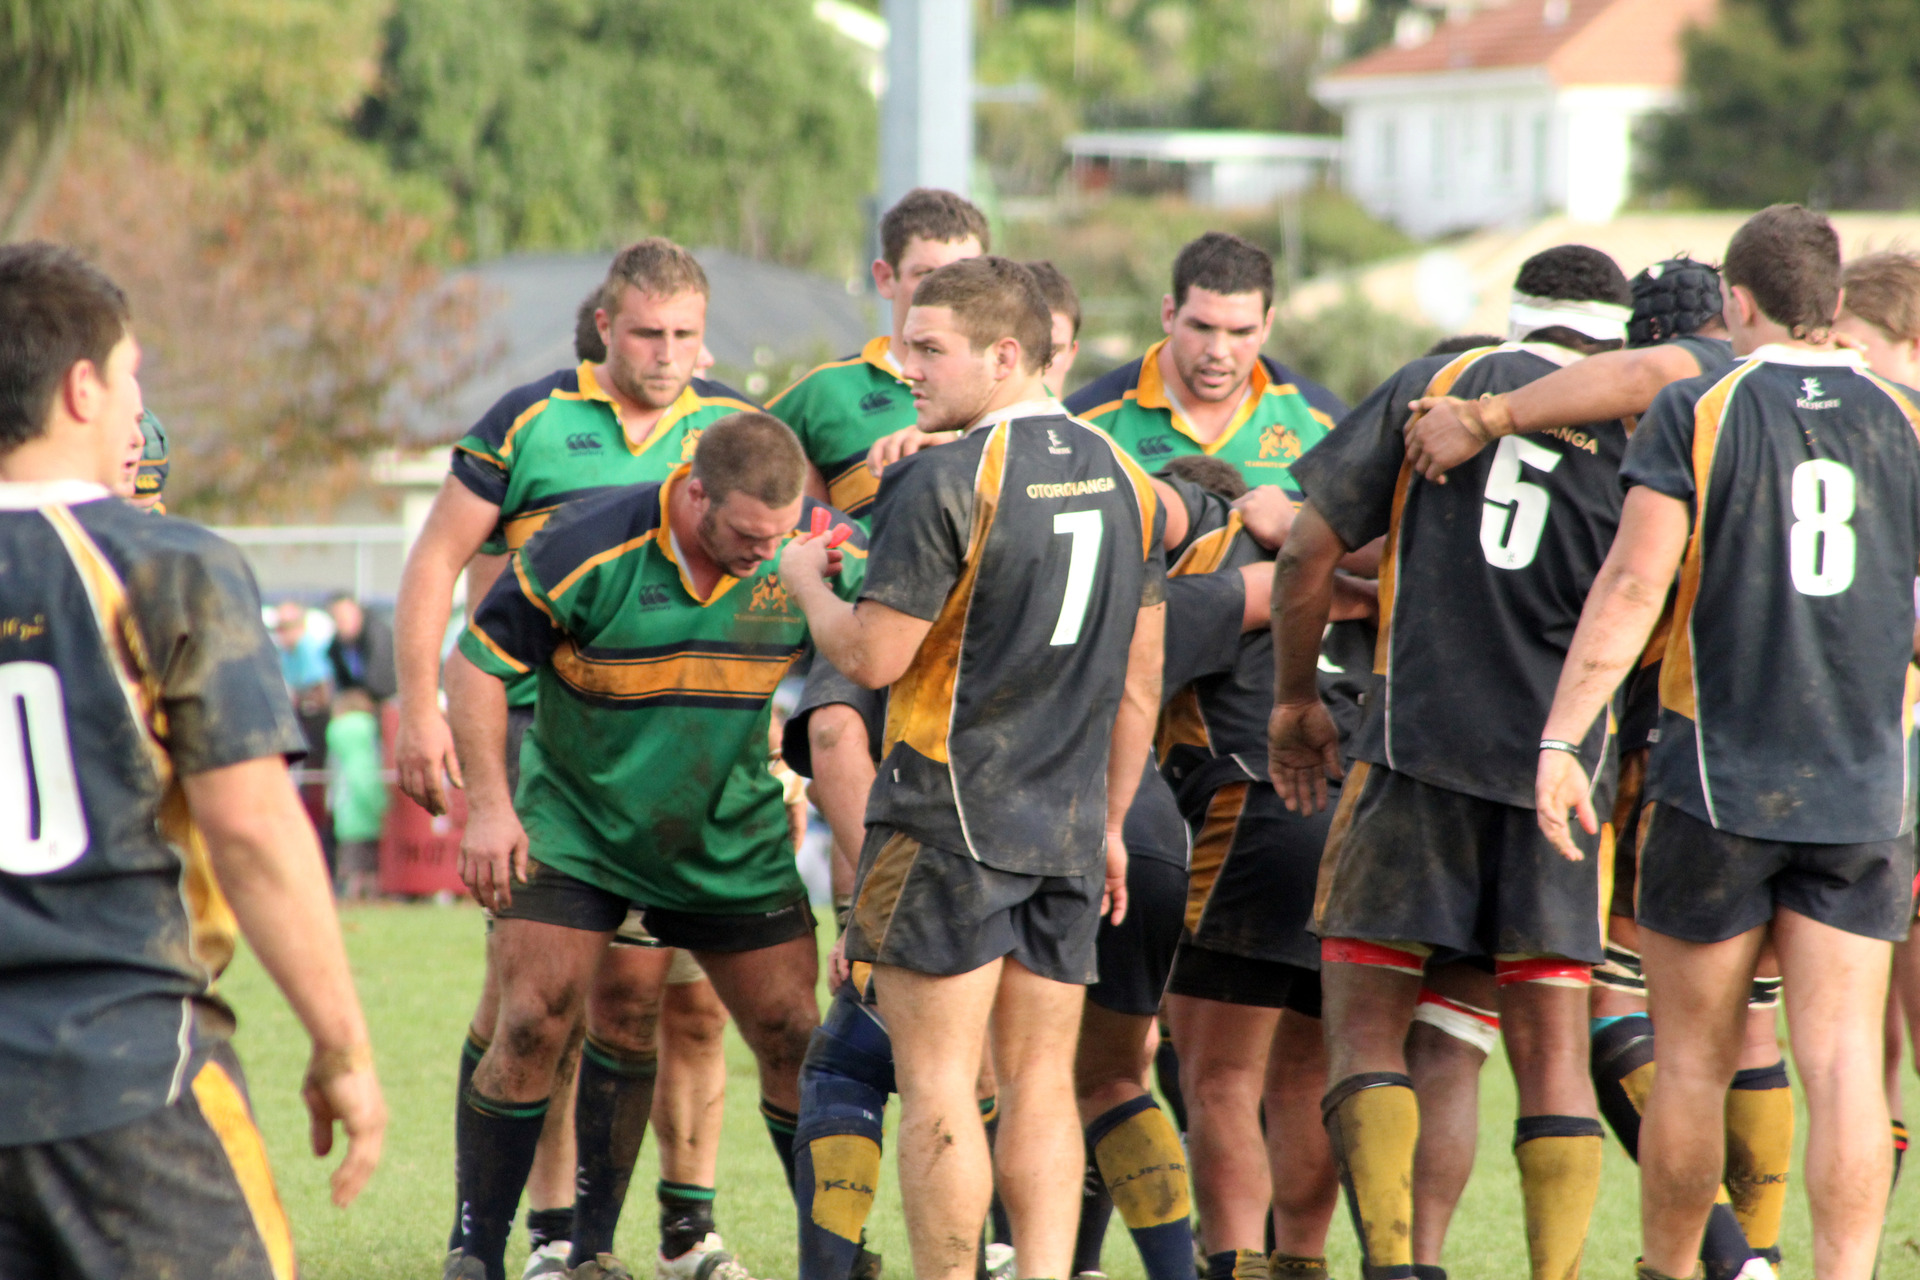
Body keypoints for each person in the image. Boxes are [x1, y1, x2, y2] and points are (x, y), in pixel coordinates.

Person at [1536, 205, 1920, 1280]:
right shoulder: (1907, 417)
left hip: (1718, 776)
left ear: (1736, 305)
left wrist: (1564, 736)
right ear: (1836, 307)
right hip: (1865, 787)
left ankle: (1672, 1271)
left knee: (1694, 1062)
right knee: (1844, 1060)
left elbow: (1632, 582)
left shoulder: (1697, 409)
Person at [0, 241, 385, 1275]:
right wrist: (342, 1045)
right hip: (129, 1077)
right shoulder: (166, 565)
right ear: (81, 386)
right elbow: (255, 826)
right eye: (133, 376)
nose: (138, 406)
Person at [780, 255, 1165, 1280]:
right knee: (1043, 1081)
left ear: (1006, 354)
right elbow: (1141, 676)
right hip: (1071, 828)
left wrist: (806, 586)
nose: (907, 367)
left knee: (940, 1079)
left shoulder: (946, 477)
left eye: (929, 348)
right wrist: (1114, 819)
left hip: (949, 820)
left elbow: (871, 657)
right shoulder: (1128, 474)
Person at [1403, 265, 1784, 1280]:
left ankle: (1725, 1257)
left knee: (1599, 1016)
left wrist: (1485, 415)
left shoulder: (1696, 388)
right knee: (1787, 1031)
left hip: (1641, 747)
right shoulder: (1841, 403)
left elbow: (1654, 381)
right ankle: (1768, 1252)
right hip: (1779, 747)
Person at [1271, 244, 1640, 1280]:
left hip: (1413, 760)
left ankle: (1401, 1263)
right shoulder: (1643, 422)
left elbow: (1306, 552)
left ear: (1516, 312)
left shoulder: (1440, 385)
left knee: (1372, 1029)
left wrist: (1297, 696)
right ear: (1618, 333)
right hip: (1556, 781)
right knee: (1529, 1051)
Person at [394, 241, 752, 1279]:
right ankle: (523, 1232)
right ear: (605, 324)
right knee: (531, 995)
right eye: (649, 332)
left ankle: (645, 1232)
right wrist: (421, 708)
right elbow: (432, 563)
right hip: (535, 744)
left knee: (645, 998)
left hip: (674, 757)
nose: (669, 354)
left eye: (686, 334)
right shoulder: (528, 419)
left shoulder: (727, 429)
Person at [444, 413, 865, 1280]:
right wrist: (489, 806)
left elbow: (890, 645)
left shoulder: (819, 549)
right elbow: (476, 665)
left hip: (726, 833)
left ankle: (837, 1263)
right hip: (579, 830)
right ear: (697, 493)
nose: (764, 552)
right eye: (748, 534)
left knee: (793, 1033)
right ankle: (476, 1255)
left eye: (778, 534)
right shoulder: (586, 545)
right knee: (529, 1024)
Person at [1064, 232, 1344, 483]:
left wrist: (1290, 531)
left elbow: (1374, 538)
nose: (1218, 351)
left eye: (1240, 332)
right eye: (1201, 327)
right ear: (1169, 314)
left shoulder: (1326, 425)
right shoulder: (1082, 426)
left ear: (1267, 326)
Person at [327, 687, 390, 900]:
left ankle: (355, 897)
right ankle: (369, 898)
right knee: (370, 866)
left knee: (354, 865)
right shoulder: (367, 738)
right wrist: (380, 803)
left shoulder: (340, 739)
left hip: (346, 813)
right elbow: (365, 779)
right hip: (367, 813)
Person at [326, 593, 397, 702]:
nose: (342, 623)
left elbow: (382, 682)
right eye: (337, 618)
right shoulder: (336, 647)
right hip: (357, 704)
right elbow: (341, 684)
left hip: (387, 701)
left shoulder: (378, 637)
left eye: (345, 617)